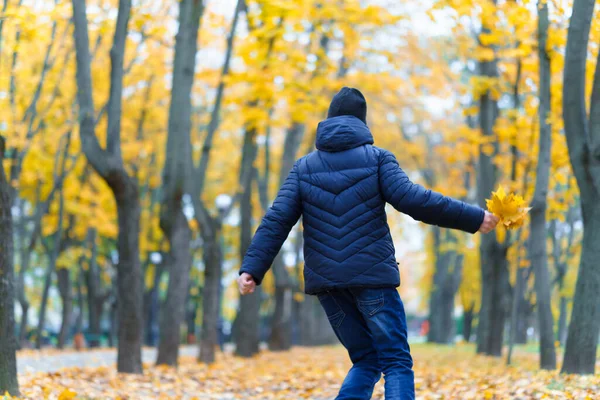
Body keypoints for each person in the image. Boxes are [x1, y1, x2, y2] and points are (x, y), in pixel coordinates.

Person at [237, 87, 499, 400]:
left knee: (366, 359)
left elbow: (276, 219)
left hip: (329, 286)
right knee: (395, 360)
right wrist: (472, 217)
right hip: (373, 278)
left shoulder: (303, 168)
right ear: (362, 122)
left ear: (329, 120)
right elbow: (416, 201)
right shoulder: (377, 159)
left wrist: (252, 268)